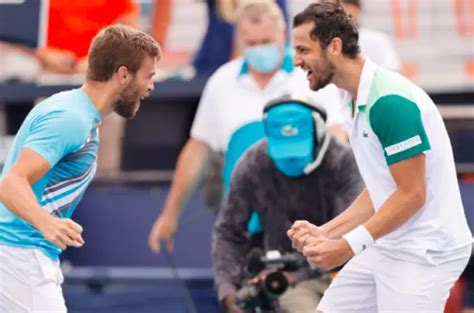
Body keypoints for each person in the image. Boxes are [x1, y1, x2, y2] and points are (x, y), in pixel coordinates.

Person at [287, 2, 472, 312]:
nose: (296, 60)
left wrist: (346, 245)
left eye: (304, 50)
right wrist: (327, 232)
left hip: (425, 253)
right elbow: (382, 188)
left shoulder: (389, 103)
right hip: (388, 243)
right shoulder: (351, 96)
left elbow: (411, 195)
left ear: (334, 46)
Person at [147, 0, 346, 254]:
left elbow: (337, 142)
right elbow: (198, 150)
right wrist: (170, 215)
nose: (259, 49)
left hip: (306, 225)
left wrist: (339, 215)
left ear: (282, 34)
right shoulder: (222, 81)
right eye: (251, 44)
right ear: (239, 39)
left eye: (265, 41)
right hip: (243, 227)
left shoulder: (310, 76)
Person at [0, 25, 160, 312]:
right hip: (18, 256)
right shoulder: (71, 118)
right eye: (148, 76)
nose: (151, 86)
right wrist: (47, 223)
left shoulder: (77, 112)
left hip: (23, 256)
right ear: (123, 75)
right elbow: (11, 183)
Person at [213, 96, 364, 313]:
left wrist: (297, 274)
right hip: (284, 281)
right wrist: (228, 290)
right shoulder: (252, 163)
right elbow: (228, 232)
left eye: (297, 148)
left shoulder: (343, 161)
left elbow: (352, 235)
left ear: (319, 132)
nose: (290, 159)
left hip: (346, 271)